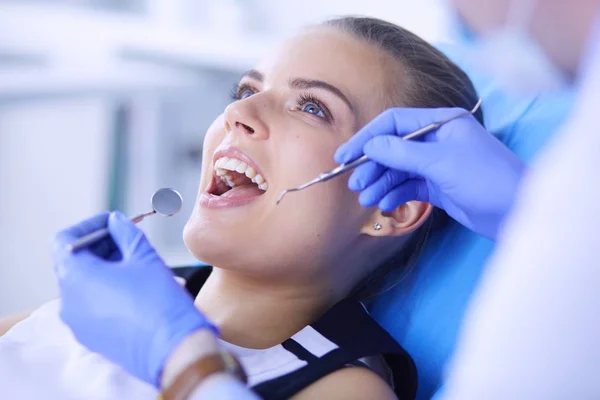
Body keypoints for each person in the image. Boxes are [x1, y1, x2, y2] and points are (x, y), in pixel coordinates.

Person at [0, 17, 490, 400]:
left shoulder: (337, 384)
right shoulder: (128, 299)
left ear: (391, 208)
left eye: (312, 106)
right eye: (247, 92)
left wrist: (180, 359)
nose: (238, 114)